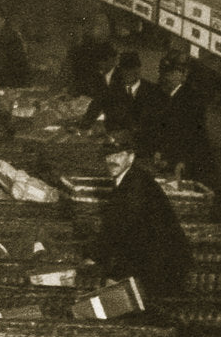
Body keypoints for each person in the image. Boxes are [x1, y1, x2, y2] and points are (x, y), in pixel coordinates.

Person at [90, 131, 191, 298]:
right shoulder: (129, 178)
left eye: (119, 155)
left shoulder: (136, 186)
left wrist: (103, 264)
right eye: (108, 155)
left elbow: (127, 230)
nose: (112, 160)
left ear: (131, 157)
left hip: (162, 265)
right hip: (153, 259)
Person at [153, 56, 214, 182]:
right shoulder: (169, 95)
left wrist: (182, 161)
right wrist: (161, 152)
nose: (167, 77)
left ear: (183, 75)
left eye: (171, 73)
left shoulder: (189, 99)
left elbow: (192, 135)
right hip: (175, 161)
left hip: (189, 164)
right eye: (164, 73)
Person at [0, 9, 30, 88]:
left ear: (3, 20)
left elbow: (3, 56)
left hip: (11, 73)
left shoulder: (7, 34)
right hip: (6, 71)